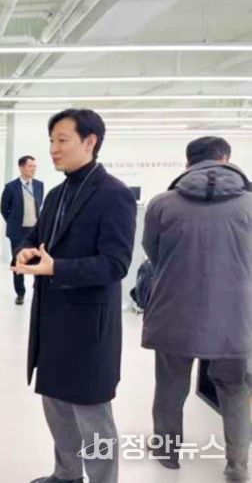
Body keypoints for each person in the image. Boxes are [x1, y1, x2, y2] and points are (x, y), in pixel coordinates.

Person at [13, 109, 136, 483]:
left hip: (88, 325)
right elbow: (37, 237)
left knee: (92, 416)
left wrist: (58, 268)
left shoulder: (114, 194)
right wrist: (25, 249)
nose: (53, 148)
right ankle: (66, 474)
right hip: (51, 319)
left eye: (62, 140)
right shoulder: (56, 193)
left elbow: (116, 264)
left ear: (90, 141)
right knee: (56, 405)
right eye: (51, 140)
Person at [142, 136, 252, 482]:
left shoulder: (162, 204)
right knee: (235, 387)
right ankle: (238, 466)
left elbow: (153, 252)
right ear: (226, 159)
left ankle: (167, 452)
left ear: (187, 163)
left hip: (174, 308)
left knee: (171, 384)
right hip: (236, 313)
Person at [1, 155, 44, 305]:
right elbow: (4, 209)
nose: (33, 169)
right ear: (21, 167)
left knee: (39, 260)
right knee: (18, 262)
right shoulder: (10, 187)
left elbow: (39, 205)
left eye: (34, 166)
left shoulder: (39, 185)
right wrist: (13, 222)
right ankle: (20, 293)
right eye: (30, 166)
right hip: (17, 232)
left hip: (35, 231)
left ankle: (38, 289)